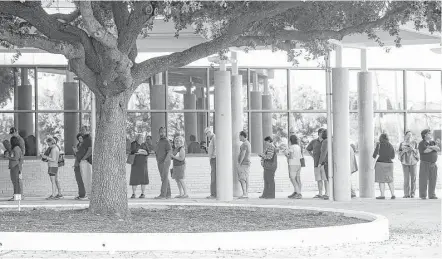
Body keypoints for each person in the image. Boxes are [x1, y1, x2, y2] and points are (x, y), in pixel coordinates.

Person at [306, 128, 328, 199]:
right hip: (316, 163)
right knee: (319, 179)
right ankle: (320, 193)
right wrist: (313, 156)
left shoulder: (326, 141)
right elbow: (308, 149)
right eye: (322, 133)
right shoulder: (314, 141)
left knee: (325, 179)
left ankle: (327, 193)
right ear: (319, 133)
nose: (323, 134)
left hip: (324, 164)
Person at [373, 133, 396, 200]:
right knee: (390, 180)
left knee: (381, 180)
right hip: (389, 164)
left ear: (380, 138)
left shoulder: (379, 144)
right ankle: (393, 194)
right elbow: (393, 157)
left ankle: (382, 195)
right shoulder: (391, 145)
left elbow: (374, 155)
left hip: (380, 164)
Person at [418, 129, 440, 200]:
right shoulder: (422, 143)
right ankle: (423, 195)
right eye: (429, 133)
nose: (430, 134)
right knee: (423, 179)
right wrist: (433, 148)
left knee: (433, 179)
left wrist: (430, 147)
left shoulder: (432, 142)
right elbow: (425, 151)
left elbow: (438, 148)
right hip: (425, 163)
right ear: (425, 135)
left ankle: (432, 195)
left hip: (433, 164)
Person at [399, 131, 419, 198]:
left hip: (413, 162)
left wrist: (413, 149)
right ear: (405, 136)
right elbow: (399, 155)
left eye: (410, 135)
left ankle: (412, 194)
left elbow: (417, 153)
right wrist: (404, 151)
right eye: (408, 135)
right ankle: (406, 194)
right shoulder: (402, 144)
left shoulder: (415, 143)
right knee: (406, 179)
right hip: (405, 162)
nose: (409, 136)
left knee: (413, 178)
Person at [129, 134, 150, 199]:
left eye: (142, 137)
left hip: (143, 164)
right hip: (135, 163)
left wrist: (140, 152)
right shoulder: (133, 143)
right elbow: (133, 151)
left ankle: (143, 193)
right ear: (137, 138)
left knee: (143, 178)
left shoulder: (145, 144)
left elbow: (148, 153)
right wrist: (143, 151)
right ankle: (133, 193)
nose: (142, 138)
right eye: (140, 137)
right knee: (134, 178)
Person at [155, 127, 172, 199]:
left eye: (164, 132)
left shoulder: (166, 141)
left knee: (164, 178)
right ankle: (168, 194)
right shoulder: (159, 141)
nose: (162, 133)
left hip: (165, 162)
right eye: (161, 132)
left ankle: (163, 195)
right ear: (159, 132)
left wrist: (166, 161)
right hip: (159, 162)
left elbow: (169, 151)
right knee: (164, 178)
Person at [5, 137, 24, 201]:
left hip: (15, 166)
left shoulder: (16, 148)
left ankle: (16, 196)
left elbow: (16, 158)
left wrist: (8, 157)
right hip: (15, 166)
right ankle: (17, 196)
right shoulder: (16, 148)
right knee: (16, 182)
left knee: (15, 182)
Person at [285, 135, 302, 199]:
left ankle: (298, 193)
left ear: (290, 140)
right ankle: (297, 192)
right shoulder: (298, 147)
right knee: (298, 178)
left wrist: (286, 155)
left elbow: (291, 156)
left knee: (292, 178)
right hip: (298, 163)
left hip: (293, 163)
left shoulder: (291, 147)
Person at [78, 127, 93, 196]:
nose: (82, 131)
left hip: (87, 161)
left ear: (87, 130)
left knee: (88, 177)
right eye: (81, 130)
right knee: (84, 178)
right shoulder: (84, 139)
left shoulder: (89, 139)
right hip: (83, 161)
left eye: (83, 130)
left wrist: (84, 158)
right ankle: (87, 193)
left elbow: (90, 150)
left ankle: (89, 193)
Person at [72, 133, 87, 200]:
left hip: (82, 164)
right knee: (78, 180)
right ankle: (81, 194)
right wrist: (75, 151)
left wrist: (77, 152)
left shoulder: (85, 146)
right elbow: (76, 155)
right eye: (79, 138)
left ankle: (83, 195)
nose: (80, 139)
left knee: (82, 180)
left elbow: (82, 155)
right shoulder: (78, 145)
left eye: (81, 138)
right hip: (77, 164)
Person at [237, 131, 251, 199]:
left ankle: (245, 194)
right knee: (246, 178)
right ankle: (246, 193)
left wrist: (239, 163)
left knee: (242, 179)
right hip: (246, 163)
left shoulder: (245, 144)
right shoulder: (247, 143)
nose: (239, 137)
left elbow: (243, 154)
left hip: (244, 164)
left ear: (242, 136)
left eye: (239, 136)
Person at [318, 129, 330, 200]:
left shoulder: (325, 141)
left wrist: (320, 163)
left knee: (328, 178)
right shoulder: (332, 140)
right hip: (332, 162)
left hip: (327, 162)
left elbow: (323, 153)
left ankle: (328, 194)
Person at [205, 127, 217, 199]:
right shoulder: (212, 139)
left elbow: (216, 148)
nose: (206, 135)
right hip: (212, 159)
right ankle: (213, 193)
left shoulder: (214, 138)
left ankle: (213, 194)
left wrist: (213, 156)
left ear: (209, 132)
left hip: (214, 159)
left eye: (206, 133)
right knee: (213, 176)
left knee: (213, 177)